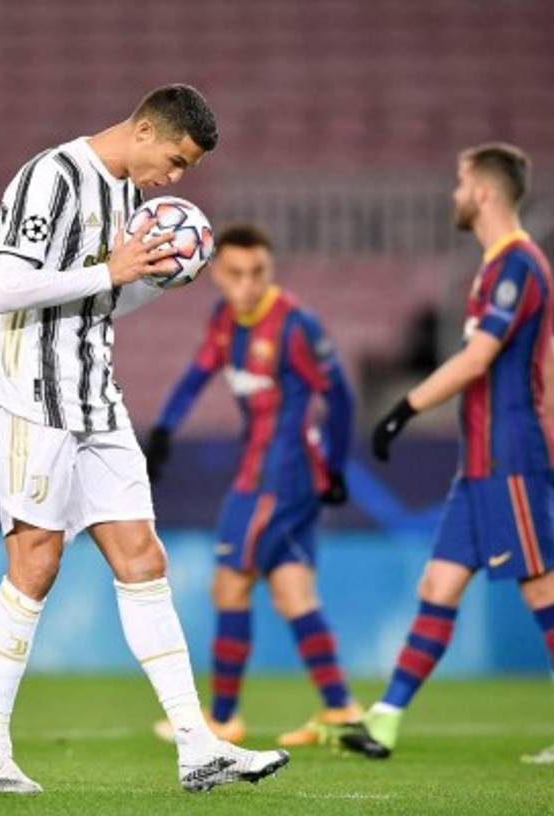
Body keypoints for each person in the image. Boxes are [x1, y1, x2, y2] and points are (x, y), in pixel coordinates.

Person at [0, 84, 289, 795]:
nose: (172, 181)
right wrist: (112, 269)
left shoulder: (125, 196)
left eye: (185, 174)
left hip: (97, 398)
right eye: (173, 162)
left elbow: (100, 299)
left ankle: (196, 743)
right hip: (33, 400)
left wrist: (154, 281)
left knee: (144, 556)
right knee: (36, 563)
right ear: (144, 130)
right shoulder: (49, 176)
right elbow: (6, 288)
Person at [341, 143, 554, 763]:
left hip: (509, 458)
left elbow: (478, 359)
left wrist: (404, 408)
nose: (454, 193)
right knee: (437, 582)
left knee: (544, 592)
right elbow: (552, 363)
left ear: (485, 191)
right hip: (486, 463)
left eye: (460, 182)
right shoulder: (504, 267)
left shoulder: (515, 265)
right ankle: (383, 721)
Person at [145, 224, 368, 749]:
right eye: (236, 274)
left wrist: (335, 466)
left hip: (277, 475)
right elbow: (197, 375)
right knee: (292, 592)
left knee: (229, 585)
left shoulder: (294, 325)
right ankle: (340, 708)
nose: (247, 285)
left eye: (258, 273)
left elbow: (341, 399)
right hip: (275, 471)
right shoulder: (225, 320)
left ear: (270, 271)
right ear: (216, 274)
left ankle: (223, 718)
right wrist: (163, 430)